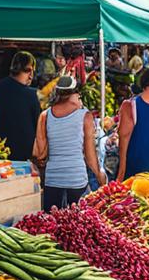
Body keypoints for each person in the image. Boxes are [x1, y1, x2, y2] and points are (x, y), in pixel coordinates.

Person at [32, 75, 106, 210]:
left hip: (52, 180)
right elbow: (90, 156)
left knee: (52, 225)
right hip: (76, 179)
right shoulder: (85, 116)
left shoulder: (45, 115)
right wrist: (99, 175)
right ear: (75, 93)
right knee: (76, 226)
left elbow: (39, 153)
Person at [0, 52, 42, 162]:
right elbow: (40, 125)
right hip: (25, 154)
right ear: (30, 71)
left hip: (1, 152)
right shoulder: (31, 95)